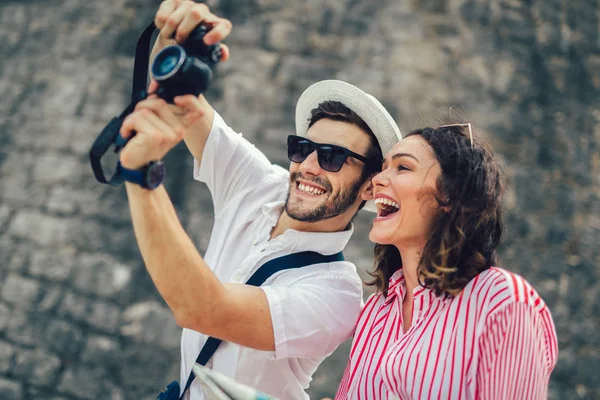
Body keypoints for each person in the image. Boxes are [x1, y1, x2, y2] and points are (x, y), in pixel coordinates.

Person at [116, 1, 402, 399]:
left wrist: (141, 175)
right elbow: (181, 99)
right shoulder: (261, 184)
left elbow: (203, 310)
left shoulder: (335, 294)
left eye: (333, 156)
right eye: (302, 148)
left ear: (370, 187)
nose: (310, 166)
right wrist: (177, 35)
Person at [334, 123, 558, 399]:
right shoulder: (376, 311)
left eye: (403, 168)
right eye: (383, 168)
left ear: (451, 195)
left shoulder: (502, 302)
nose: (377, 179)